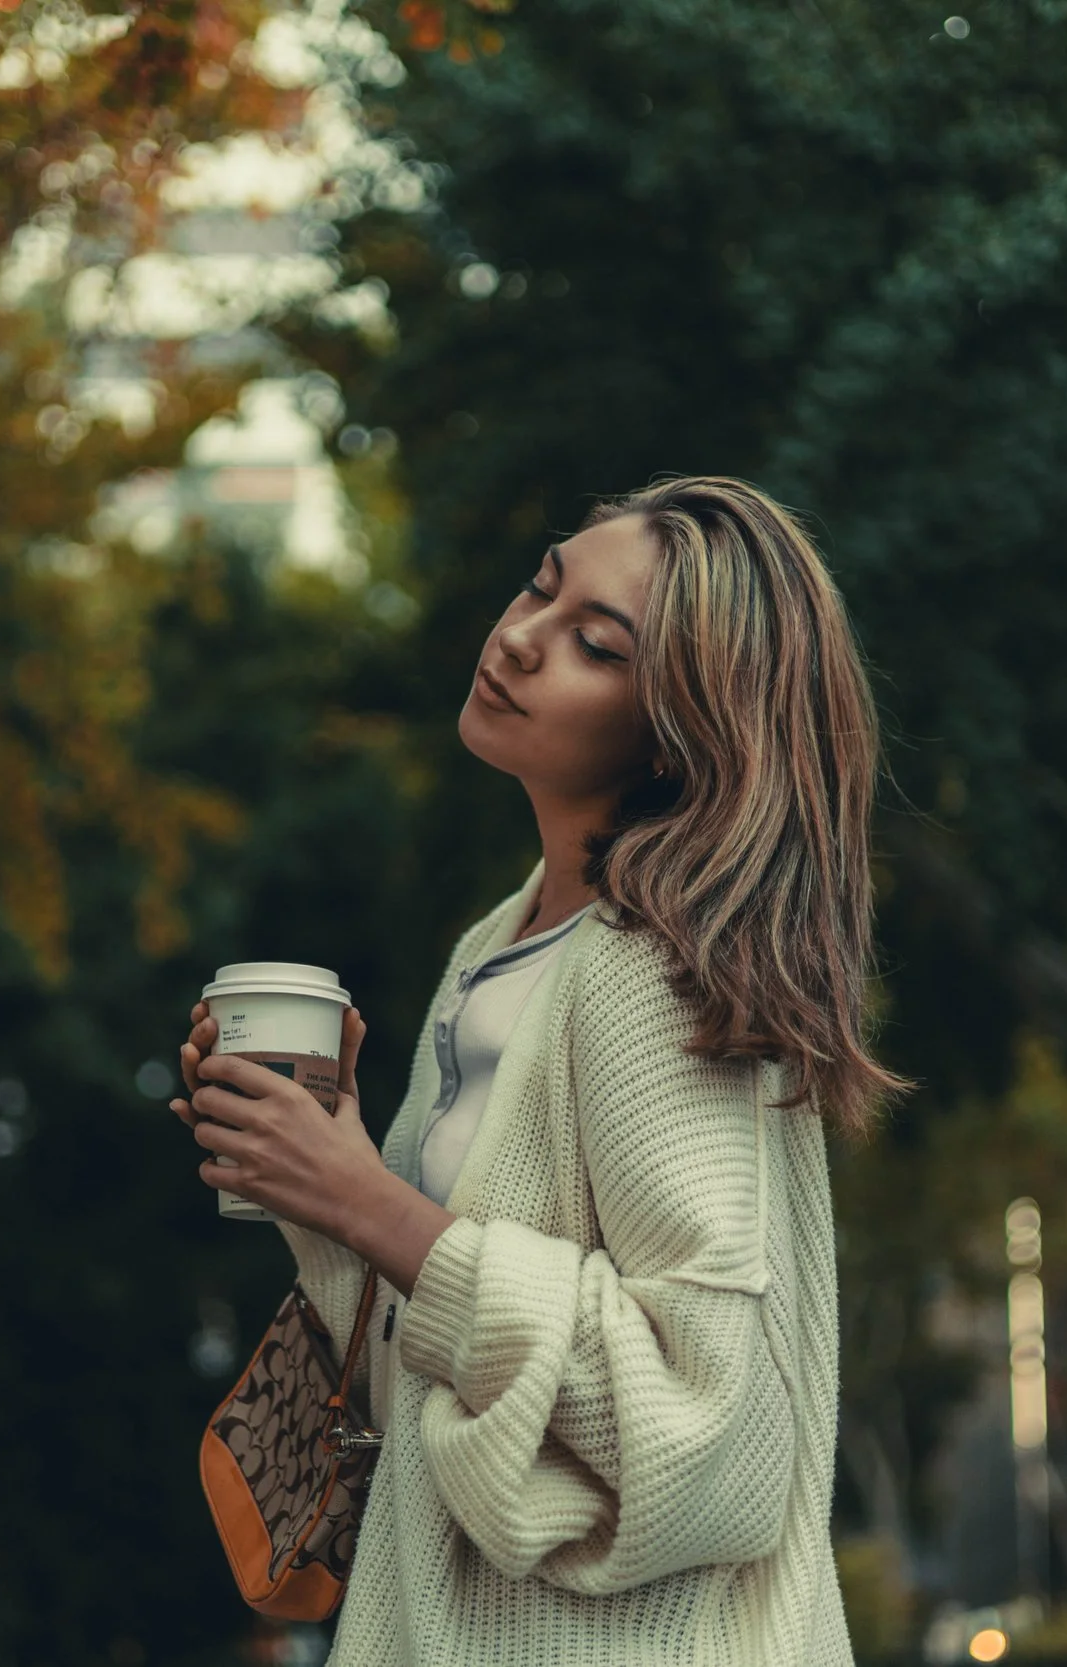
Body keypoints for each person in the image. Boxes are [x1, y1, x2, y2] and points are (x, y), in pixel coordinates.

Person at [168, 475, 910, 1666]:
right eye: (540, 584)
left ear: (682, 726)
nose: (518, 637)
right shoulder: (498, 944)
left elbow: (716, 1427)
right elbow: (430, 1350)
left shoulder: (651, 971)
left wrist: (371, 1200)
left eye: (593, 644)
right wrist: (321, 1172)